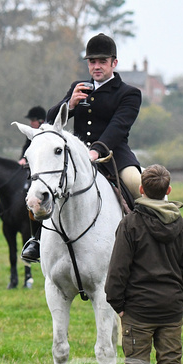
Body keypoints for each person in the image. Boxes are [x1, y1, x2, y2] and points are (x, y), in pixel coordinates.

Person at [22, 33, 142, 262]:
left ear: (114, 63)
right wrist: (70, 103)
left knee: (137, 184)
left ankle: (145, 240)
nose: (96, 66)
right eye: (92, 62)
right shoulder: (78, 87)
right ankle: (37, 240)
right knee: (40, 186)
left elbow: (118, 126)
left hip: (114, 156)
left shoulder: (129, 93)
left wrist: (96, 150)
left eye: (102, 61)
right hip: (74, 158)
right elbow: (50, 121)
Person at [105, 164, 183, 364]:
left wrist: (119, 307)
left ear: (141, 189)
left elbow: (117, 272)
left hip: (137, 313)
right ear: (168, 191)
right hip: (171, 311)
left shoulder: (129, 224)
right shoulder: (182, 225)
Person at [19, 106, 46, 263]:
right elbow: (25, 150)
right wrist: (22, 159)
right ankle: (35, 238)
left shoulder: (46, 134)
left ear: (40, 121)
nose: (31, 123)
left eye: (33, 120)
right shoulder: (31, 135)